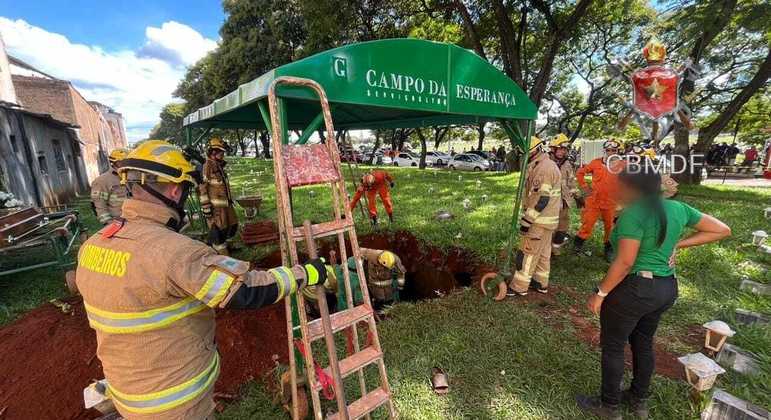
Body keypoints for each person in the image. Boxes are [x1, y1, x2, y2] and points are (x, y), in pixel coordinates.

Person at [73, 140, 327, 420]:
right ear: (174, 189)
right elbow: (245, 291)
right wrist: (307, 273)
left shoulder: (94, 245)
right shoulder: (174, 253)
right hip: (176, 405)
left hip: (128, 395)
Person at [576, 167, 730, 420]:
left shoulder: (633, 215)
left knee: (614, 346)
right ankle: (639, 400)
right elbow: (721, 229)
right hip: (666, 288)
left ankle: (609, 406)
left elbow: (624, 262)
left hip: (635, 289)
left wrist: (600, 293)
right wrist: (677, 243)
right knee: (643, 341)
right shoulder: (678, 209)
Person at [507, 136, 562, 296]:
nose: (522, 156)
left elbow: (541, 199)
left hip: (538, 221)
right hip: (549, 222)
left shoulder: (543, 169)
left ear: (535, 150)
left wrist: (527, 221)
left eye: (524, 153)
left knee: (527, 254)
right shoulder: (545, 164)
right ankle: (540, 283)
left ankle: (519, 287)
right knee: (543, 254)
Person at [574, 139, 624, 259]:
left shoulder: (623, 165)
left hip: (611, 202)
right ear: (604, 151)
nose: (611, 152)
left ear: (618, 151)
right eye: (608, 150)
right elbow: (580, 173)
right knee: (587, 224)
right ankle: (577, 247)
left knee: (610, 227)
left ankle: (608, 248)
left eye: (614, 150)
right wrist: (585, 187)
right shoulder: (596, 163)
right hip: (594, 201)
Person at [199, 137, 238, 255]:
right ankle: (222, 254)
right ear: (213, 152)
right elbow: (202, 187)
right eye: (221, 152)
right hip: (215, 207)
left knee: (231, 225)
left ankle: (226, 247)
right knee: (218, 231)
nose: (223, 155)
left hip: (225, 204)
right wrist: (206, 207)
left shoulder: (218, 165)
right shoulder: (207, 166)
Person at [549, 134, 578, 255]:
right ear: (553, 149)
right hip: (549, 202)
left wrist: (577, 196)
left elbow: (571, 182)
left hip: (564, 202)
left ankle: (555, 248)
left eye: (564, 149)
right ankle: (546, 250)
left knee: (563, 227)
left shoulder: (567, 164)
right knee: (549, 227)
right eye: (560, 149)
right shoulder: (546, 163)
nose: (562, 152)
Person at [91, 148, 128, 225]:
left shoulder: (132, 177)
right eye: (123, 161)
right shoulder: (102, 181)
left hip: (136, 220)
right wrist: (109, 224)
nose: (127, 164)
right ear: (115, 162)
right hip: (118, 222)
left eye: (128, 161)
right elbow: (100, 205)